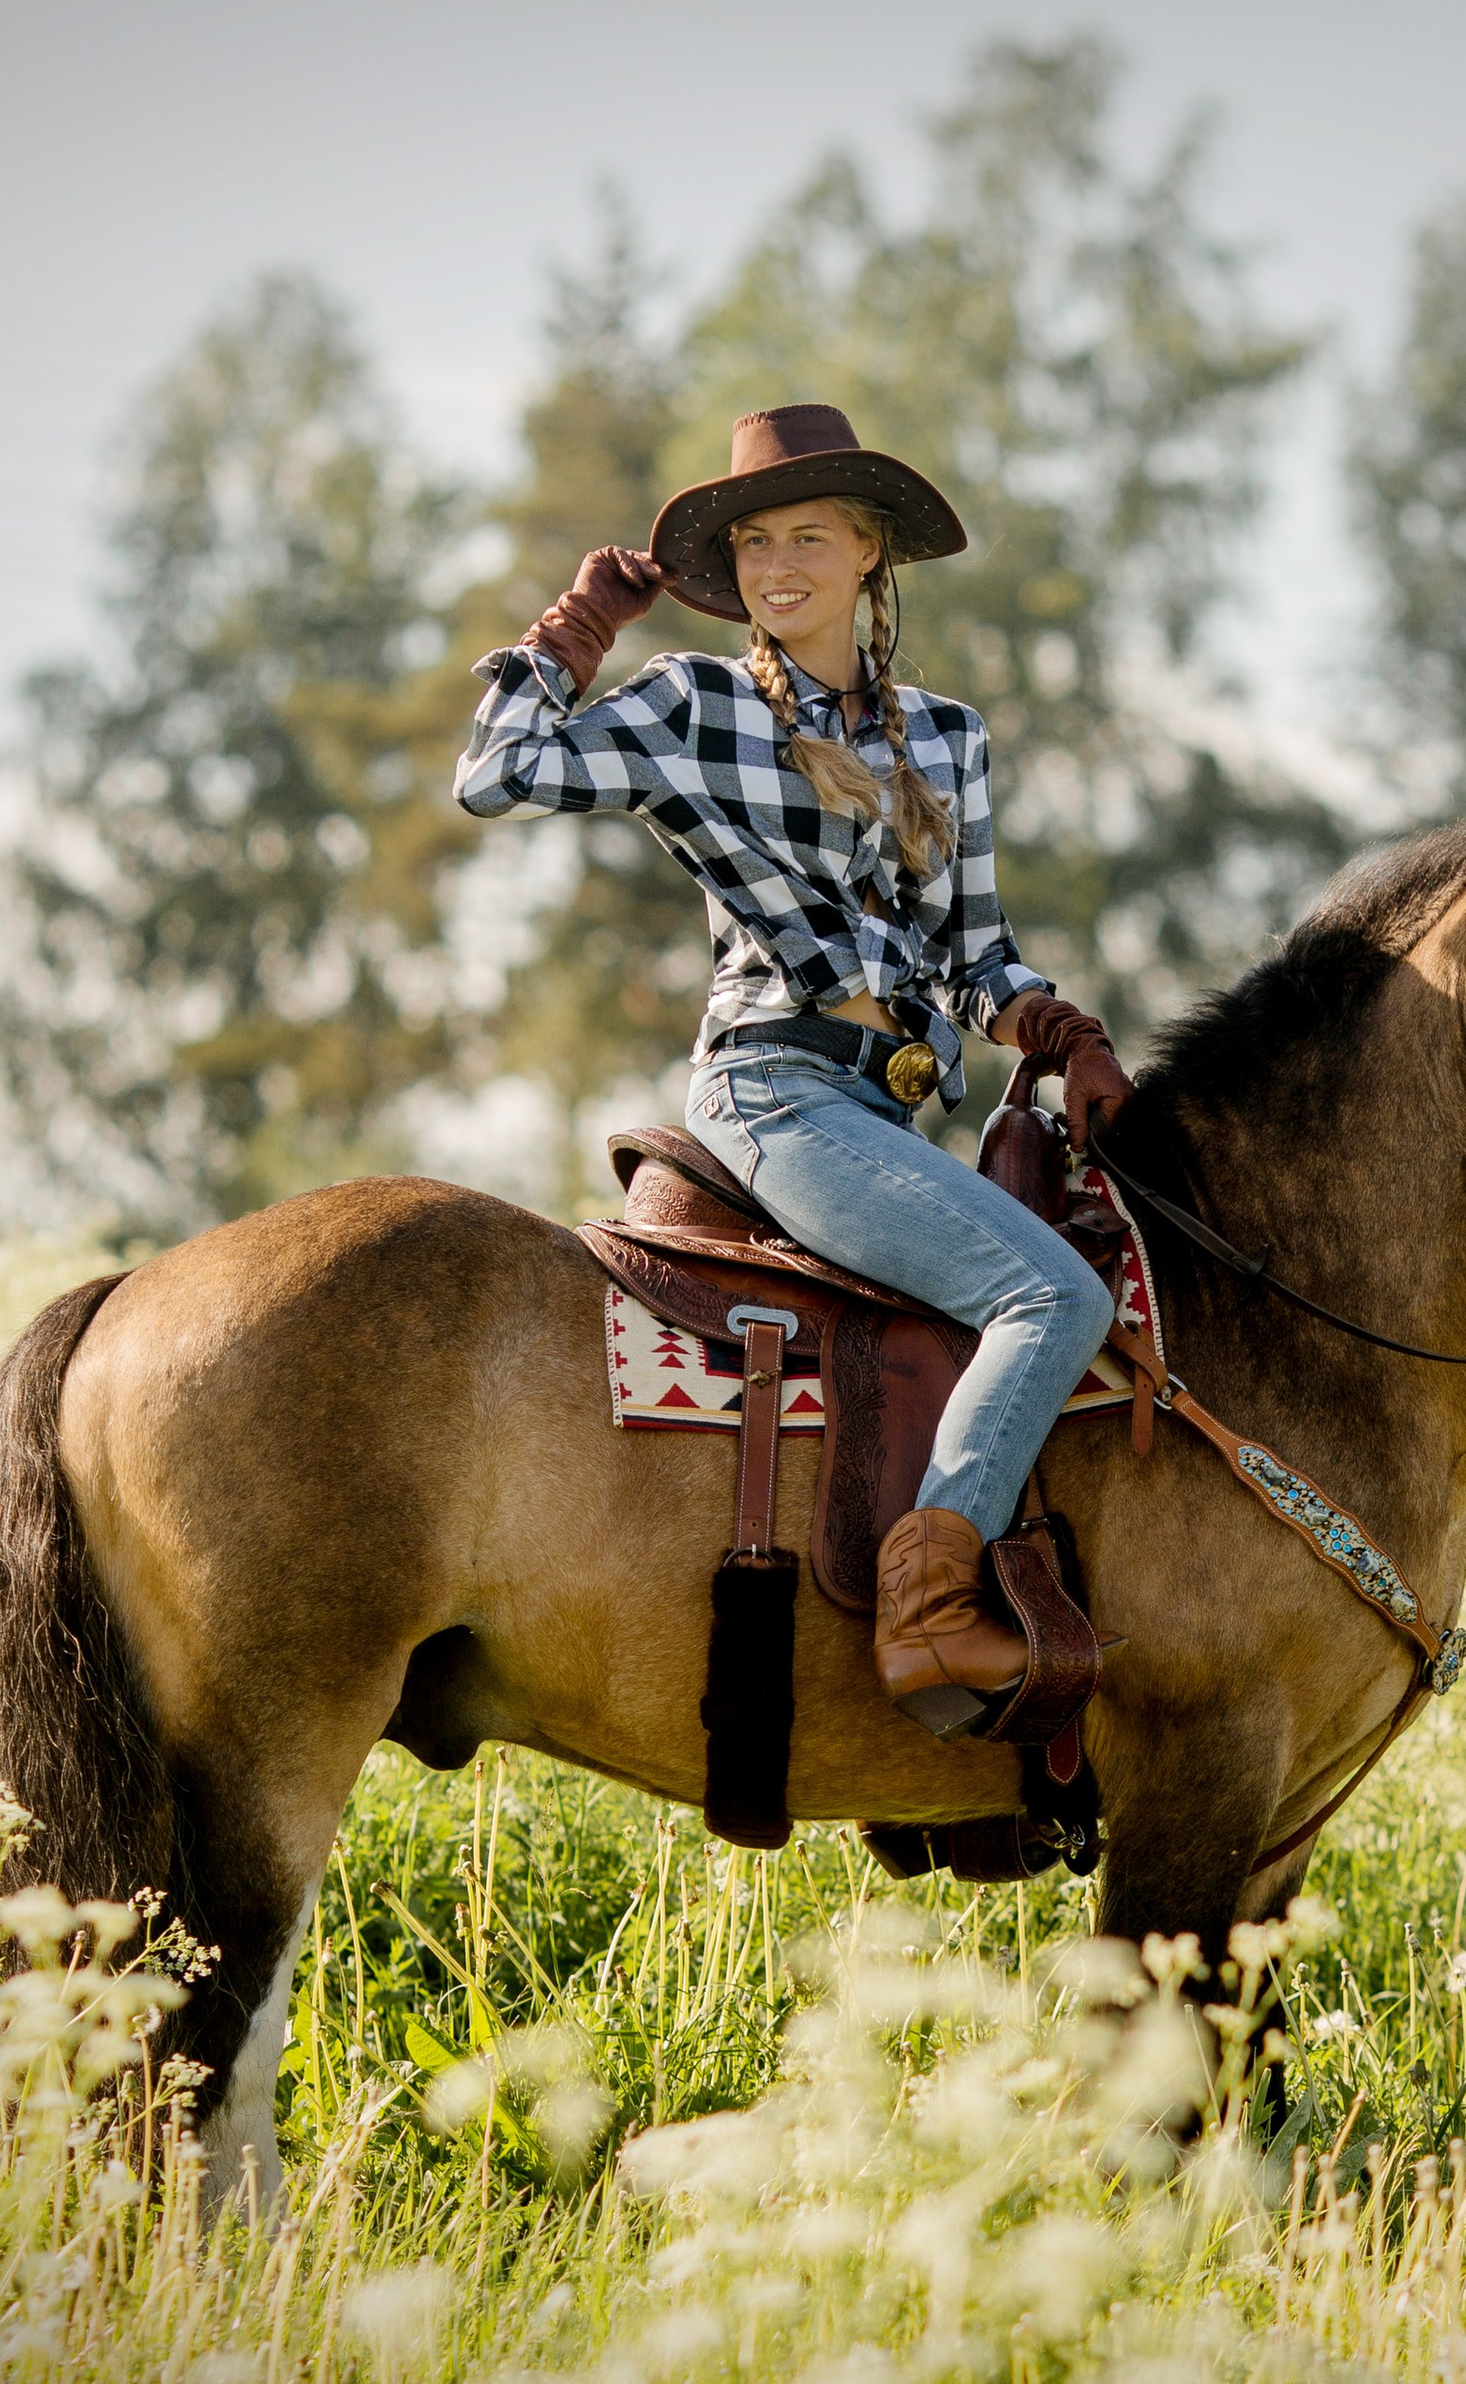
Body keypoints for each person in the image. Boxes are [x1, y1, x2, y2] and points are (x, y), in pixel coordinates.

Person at [455, 403, 1130, 1728]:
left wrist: (1061, 1030)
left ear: (871, 550)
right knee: (1050, 1300)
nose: (777, 567)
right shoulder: (692, 705)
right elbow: (495, 776)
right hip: (773, 1089)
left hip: (899, 1112)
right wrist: (575, 633)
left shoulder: (950, 737)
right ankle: (931, 1610)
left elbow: (979, 957)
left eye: (808, 536)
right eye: (755, 542)